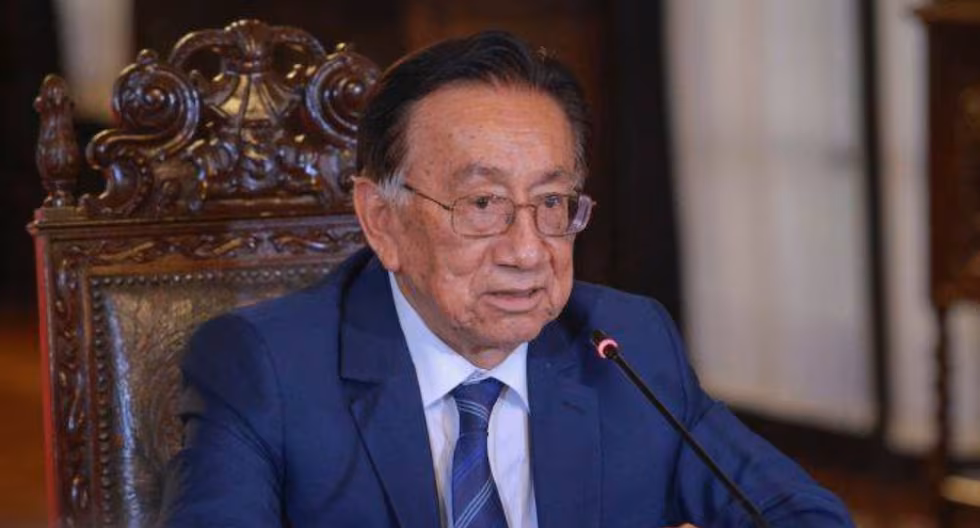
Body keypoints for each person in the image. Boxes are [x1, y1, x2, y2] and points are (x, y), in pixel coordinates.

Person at [160, 30, 854, 527]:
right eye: (483, 204)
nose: (527, 251)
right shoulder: (265, 369)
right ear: (381, 221)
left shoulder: (626, 343)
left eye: (551, 203)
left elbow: (801, 513)